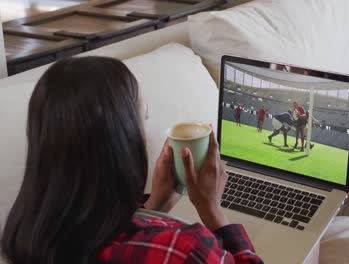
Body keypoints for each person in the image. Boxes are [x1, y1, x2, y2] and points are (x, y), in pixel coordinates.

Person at [0, 57, 263, 264]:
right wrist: (212, 209)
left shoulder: (24, 235)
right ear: (122, 140)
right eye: (143, 118)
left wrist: (154, 206)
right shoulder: (184, 250)